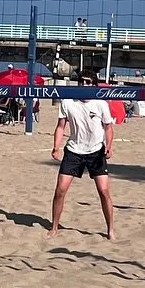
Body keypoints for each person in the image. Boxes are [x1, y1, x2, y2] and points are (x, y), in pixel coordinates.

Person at [49, 85, 115, 239]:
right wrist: (56, 147)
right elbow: (60, 127)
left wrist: (110, 146)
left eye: (88, 83)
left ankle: (110, 230)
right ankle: (54, 227)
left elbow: (108, 127)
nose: (85, 85)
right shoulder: (68, 102)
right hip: (73, 151)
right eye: (82, 82)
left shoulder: (100, 103)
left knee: (104, 192)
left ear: (93, 85)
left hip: (96, 151)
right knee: (60, 190)